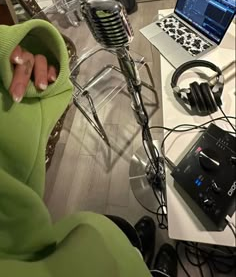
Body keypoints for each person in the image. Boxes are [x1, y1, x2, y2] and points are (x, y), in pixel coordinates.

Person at [0, 20, 177, 276]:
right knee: (118, 235)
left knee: (118, 231)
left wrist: (19, 46)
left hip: (80, 240)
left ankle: (135, 251)